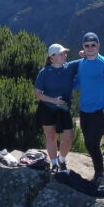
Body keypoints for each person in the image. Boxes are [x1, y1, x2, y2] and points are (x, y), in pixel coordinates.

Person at [76, 32, 104, 187]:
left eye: (93, 45)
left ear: (98, 45)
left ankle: (100, 175)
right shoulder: (82, 63)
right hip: (84, 110)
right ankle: (98, 173)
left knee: (92, 142)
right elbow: (79, 82)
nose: (90, 48)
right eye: (87, 46)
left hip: (99, 111)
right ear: (83, 47)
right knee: (89, 144)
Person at [33, 43, 78, 172]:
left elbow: (87, 58)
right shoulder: (44, 72)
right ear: (52, 57)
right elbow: (37, 93)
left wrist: (83, 54)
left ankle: (62, 160)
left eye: (65, 53)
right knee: (51, 137)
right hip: (47, 108)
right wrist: (53, 100)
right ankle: (54, 163)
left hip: (63, 108)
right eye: (61, 53)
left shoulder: (70, 67)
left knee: (68, 136)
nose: (65, 55)